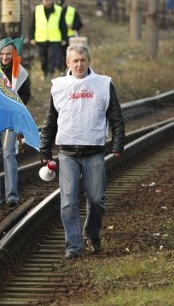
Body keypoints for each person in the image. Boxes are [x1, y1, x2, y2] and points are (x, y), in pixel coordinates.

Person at [39, 44, 125, 260]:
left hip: (94, 151)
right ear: (67, 63)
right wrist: (45, 148)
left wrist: (117, 143)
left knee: (96, 199)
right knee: (68, 201)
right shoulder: (59, 86)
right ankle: (73, 246)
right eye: (75, 60)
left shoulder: (103, 84)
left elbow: (116, 116)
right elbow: (51, 120)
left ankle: (92, 232)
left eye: (82, 60)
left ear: (89, 61)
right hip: (67, 152)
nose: (79, 64)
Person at [0, 37, 31, 209]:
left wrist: (15, 103)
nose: (5, 57)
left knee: (9, 156)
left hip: (9, 121)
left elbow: (26, 94)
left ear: (14, 54)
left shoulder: (21, 72)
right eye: (2, 54)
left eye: (8, 54)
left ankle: (12, 195)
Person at [29, 0, 67, 81]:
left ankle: (50, 73)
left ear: (52, 0)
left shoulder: (58, 10)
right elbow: (32, 24)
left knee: (52, 57)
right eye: (44, 0)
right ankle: (45, 72)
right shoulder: (37, 10)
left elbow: (63, 25)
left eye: (48, 0)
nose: (46, 2)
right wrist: (31, 37)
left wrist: (64, 38)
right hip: (41, 39)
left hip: (54, 39)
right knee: (43, 58)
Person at [56, 0, 84, 73]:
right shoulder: (54, 11)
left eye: (61, 5)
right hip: (58, 37)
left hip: (70, 37)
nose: (60, 7)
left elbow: (80, 24)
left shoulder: (72, 11)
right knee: (60, 55)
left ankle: (69, 70)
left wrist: (72, 26)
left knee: (71, 55)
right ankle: (61, 70)